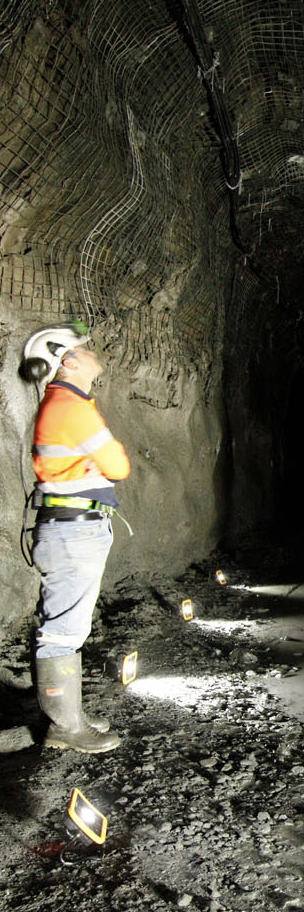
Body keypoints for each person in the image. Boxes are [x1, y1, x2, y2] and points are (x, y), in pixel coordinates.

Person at [19, 321, 131, 753]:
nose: (90, 352)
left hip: (73, 528)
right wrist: (99, 464)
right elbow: (118, 465)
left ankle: (71, 716)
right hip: (73, 531)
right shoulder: (71, 407)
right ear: (67, 361)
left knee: (70, 626)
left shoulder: (65, 404)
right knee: (63, 630)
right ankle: (64, 728)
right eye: (82, 349)